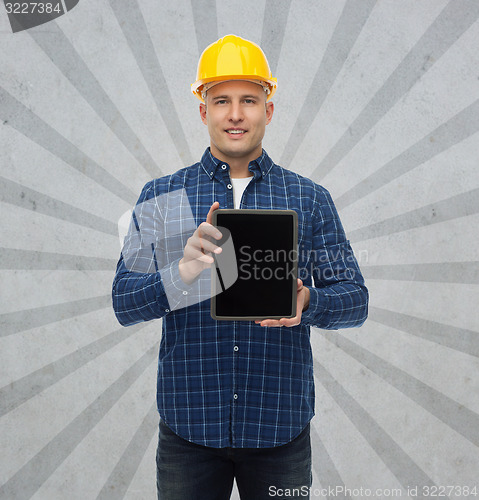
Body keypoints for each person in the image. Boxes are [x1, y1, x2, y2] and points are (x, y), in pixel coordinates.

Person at [112, 34, 368, 500]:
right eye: (221, 100)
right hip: (189, 429)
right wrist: (182, 273)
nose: (235, 114)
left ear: (267, 109)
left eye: (248, 100)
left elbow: (355, 300)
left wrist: (308, 301)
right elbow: (124, 302)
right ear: (203, 110)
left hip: (279, 430)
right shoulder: (162, 198)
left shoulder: (308, 200)